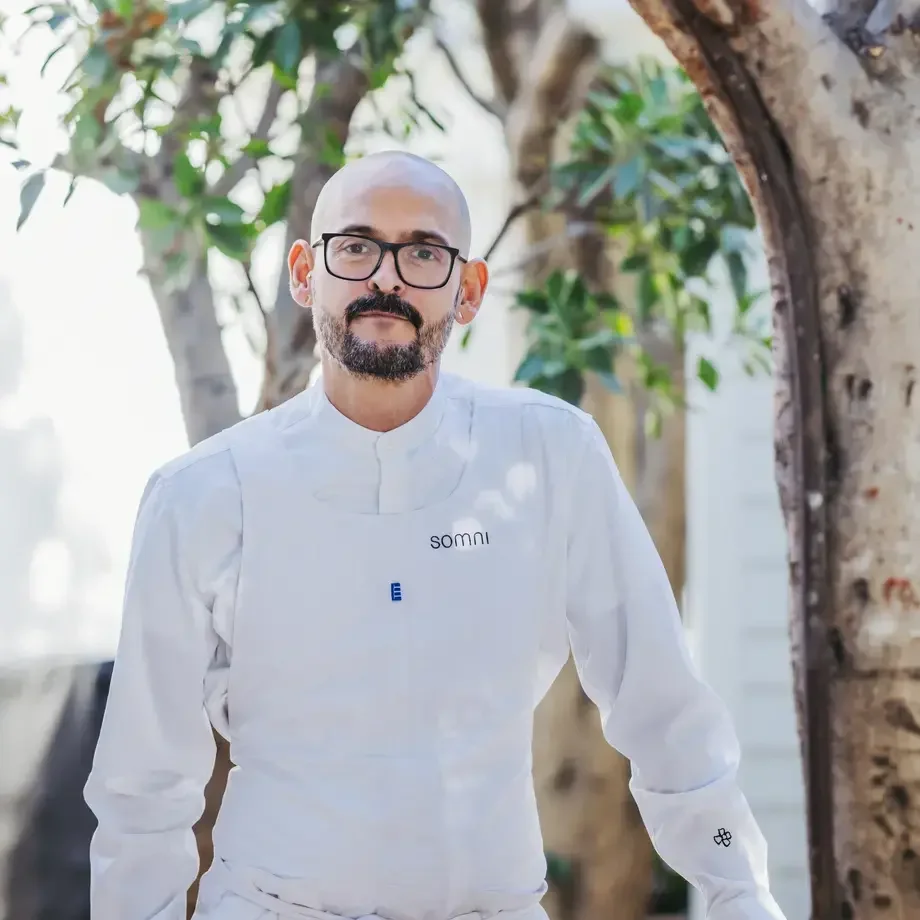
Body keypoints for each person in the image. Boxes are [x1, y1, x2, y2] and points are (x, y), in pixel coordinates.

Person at [84, 151, 786, 920]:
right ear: (305, 273)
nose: (386, 278)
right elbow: (142, 789)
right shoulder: (203, 494)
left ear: (469, 289)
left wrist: (740, 893)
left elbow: (664, 711)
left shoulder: (548, 456)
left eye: (422, 253)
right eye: (356, 246)